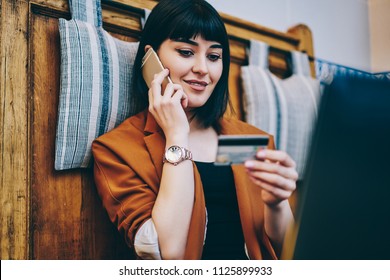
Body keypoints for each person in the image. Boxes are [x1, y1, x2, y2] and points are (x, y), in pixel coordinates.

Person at [92, 0, 298, 260]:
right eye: (186, 52)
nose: (203, 68)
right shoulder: (118, 149)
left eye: (213, 56)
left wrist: (276, 203)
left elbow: (288, 252)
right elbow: (169, 254)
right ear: (150, 58)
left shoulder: (246, 142)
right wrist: (177, 135)